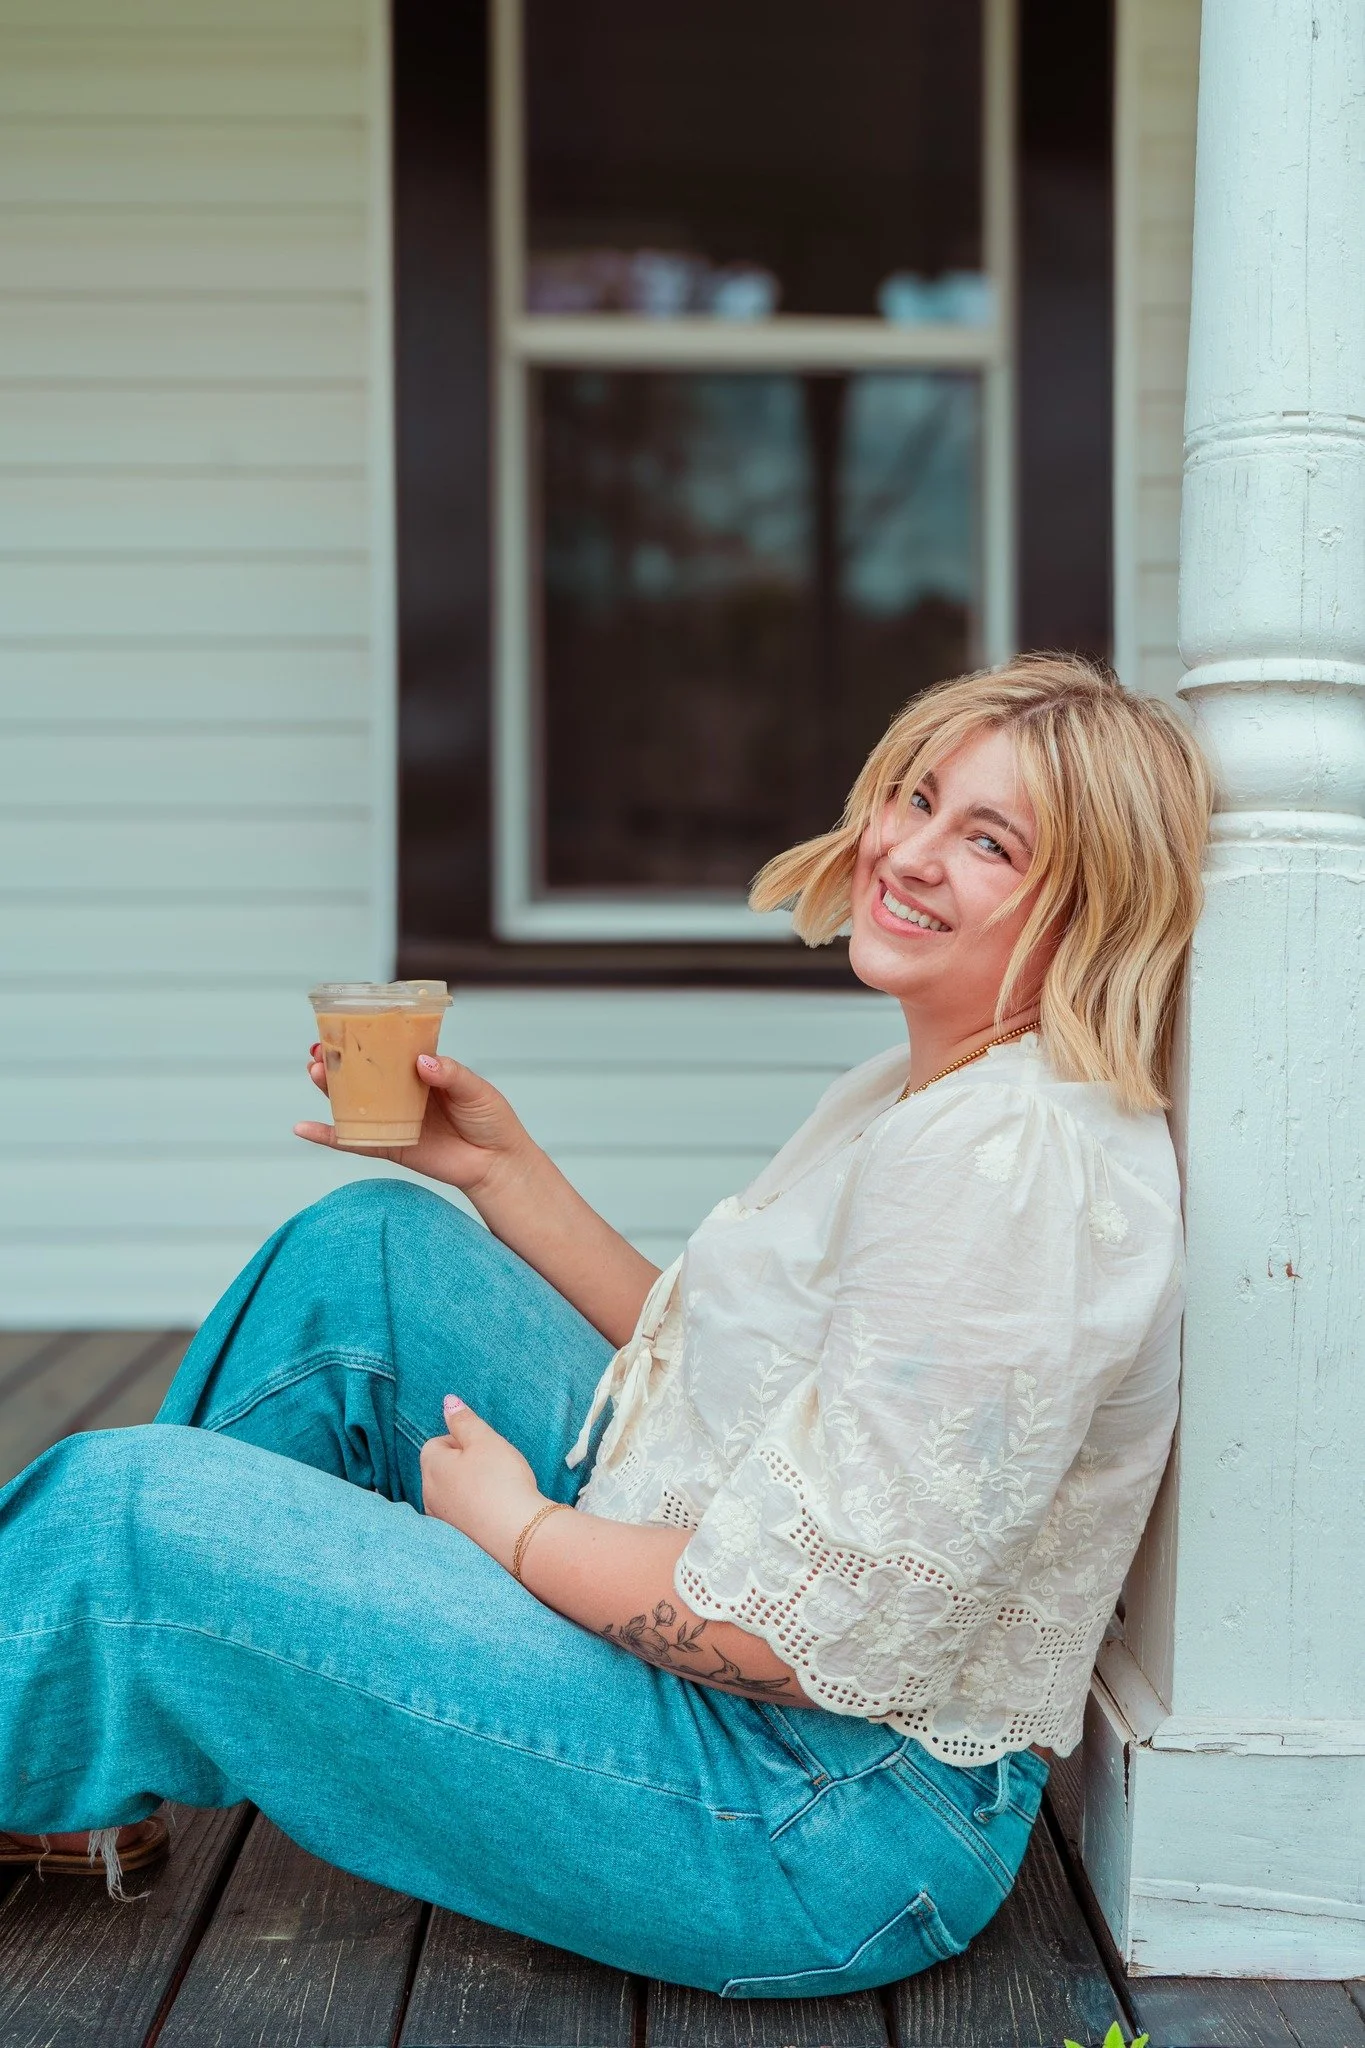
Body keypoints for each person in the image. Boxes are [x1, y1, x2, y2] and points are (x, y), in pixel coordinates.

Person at [0, 654, 1211, 1993]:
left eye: (989, 843)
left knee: (130, 1522)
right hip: (760, 1677)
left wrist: (517, 1531)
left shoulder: (1003, 1169)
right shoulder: (933, 1087)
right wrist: (499, 1172)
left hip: (811, 1818)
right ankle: (75, 1743)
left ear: (1095, 907)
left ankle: (106, 1666)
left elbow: (800, 1638)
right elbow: (735, 1384)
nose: (910, 854)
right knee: (366, 1254)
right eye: (917, 799)